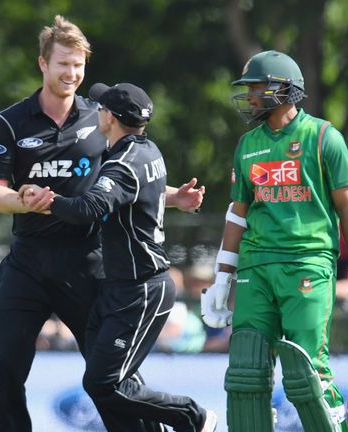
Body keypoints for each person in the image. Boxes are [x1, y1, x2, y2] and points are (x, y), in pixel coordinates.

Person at [0, 16, 204, 432]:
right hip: (27, 263)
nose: (72, 74)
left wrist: (175, 198)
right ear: (43, 64)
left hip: (87, 263)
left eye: (78, 65)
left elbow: (126, 181)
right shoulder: (11, 121)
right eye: (63, 64)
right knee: (7, 367)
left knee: (110, 376)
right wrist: (23, 201)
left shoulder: (100, 117)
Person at [200, 50, 348, 432]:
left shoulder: (323, 137)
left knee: (307, 372)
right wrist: (223, 276)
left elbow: (347, 208)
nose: (250, 95)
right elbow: (238, 213)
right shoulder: (247, 144)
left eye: (257, 87)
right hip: (256, 266)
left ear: (284, 89)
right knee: (246, 370)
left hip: (307, 262)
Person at [20, 82, 216, 432]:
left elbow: (89, 207)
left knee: (104, 384)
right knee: (116, 383)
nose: (95, 111)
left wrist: (46, 200)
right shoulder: (145, 149)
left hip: (140, 290)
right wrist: (177, 199)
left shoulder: (125, 161)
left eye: (100, 108)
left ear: (109, 117)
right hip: (121, 287)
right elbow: (134, 193)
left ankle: (193, 416)